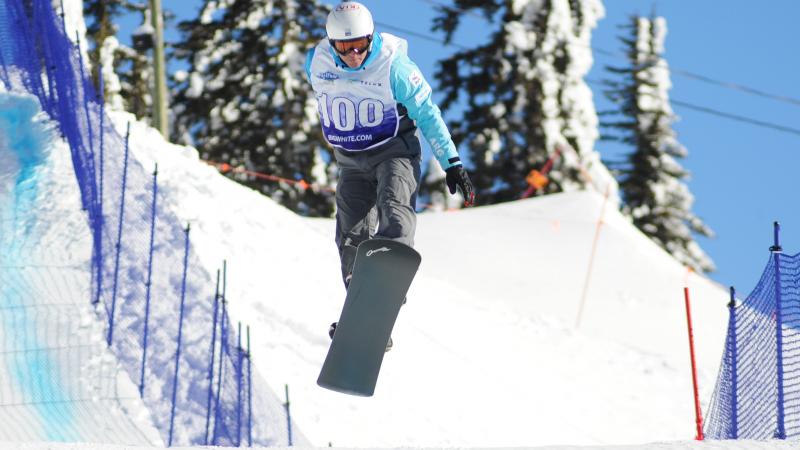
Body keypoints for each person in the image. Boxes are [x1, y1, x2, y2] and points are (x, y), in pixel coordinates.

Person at [305, 2, 474, 345]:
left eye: (360, 45)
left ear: (370, 38)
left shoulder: (393, 65)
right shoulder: (317, 61)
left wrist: (452, 162)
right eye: (344, 47)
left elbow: (427, 112)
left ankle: (385, 291)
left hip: (393, 151)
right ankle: (362, 312)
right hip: (350, 160)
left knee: (395, 212)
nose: (353, 54)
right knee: (350, 236)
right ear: (331, 42)